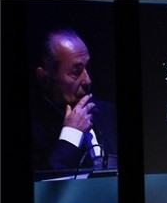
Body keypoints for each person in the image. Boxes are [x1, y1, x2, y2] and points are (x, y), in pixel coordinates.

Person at [31, 28, 118, 181]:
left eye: (87, 68)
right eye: (76, 71)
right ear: (45, 77)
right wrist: (71, 136)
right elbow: (44, 192)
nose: (87, 80)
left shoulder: (108, 113)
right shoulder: (35, 129)